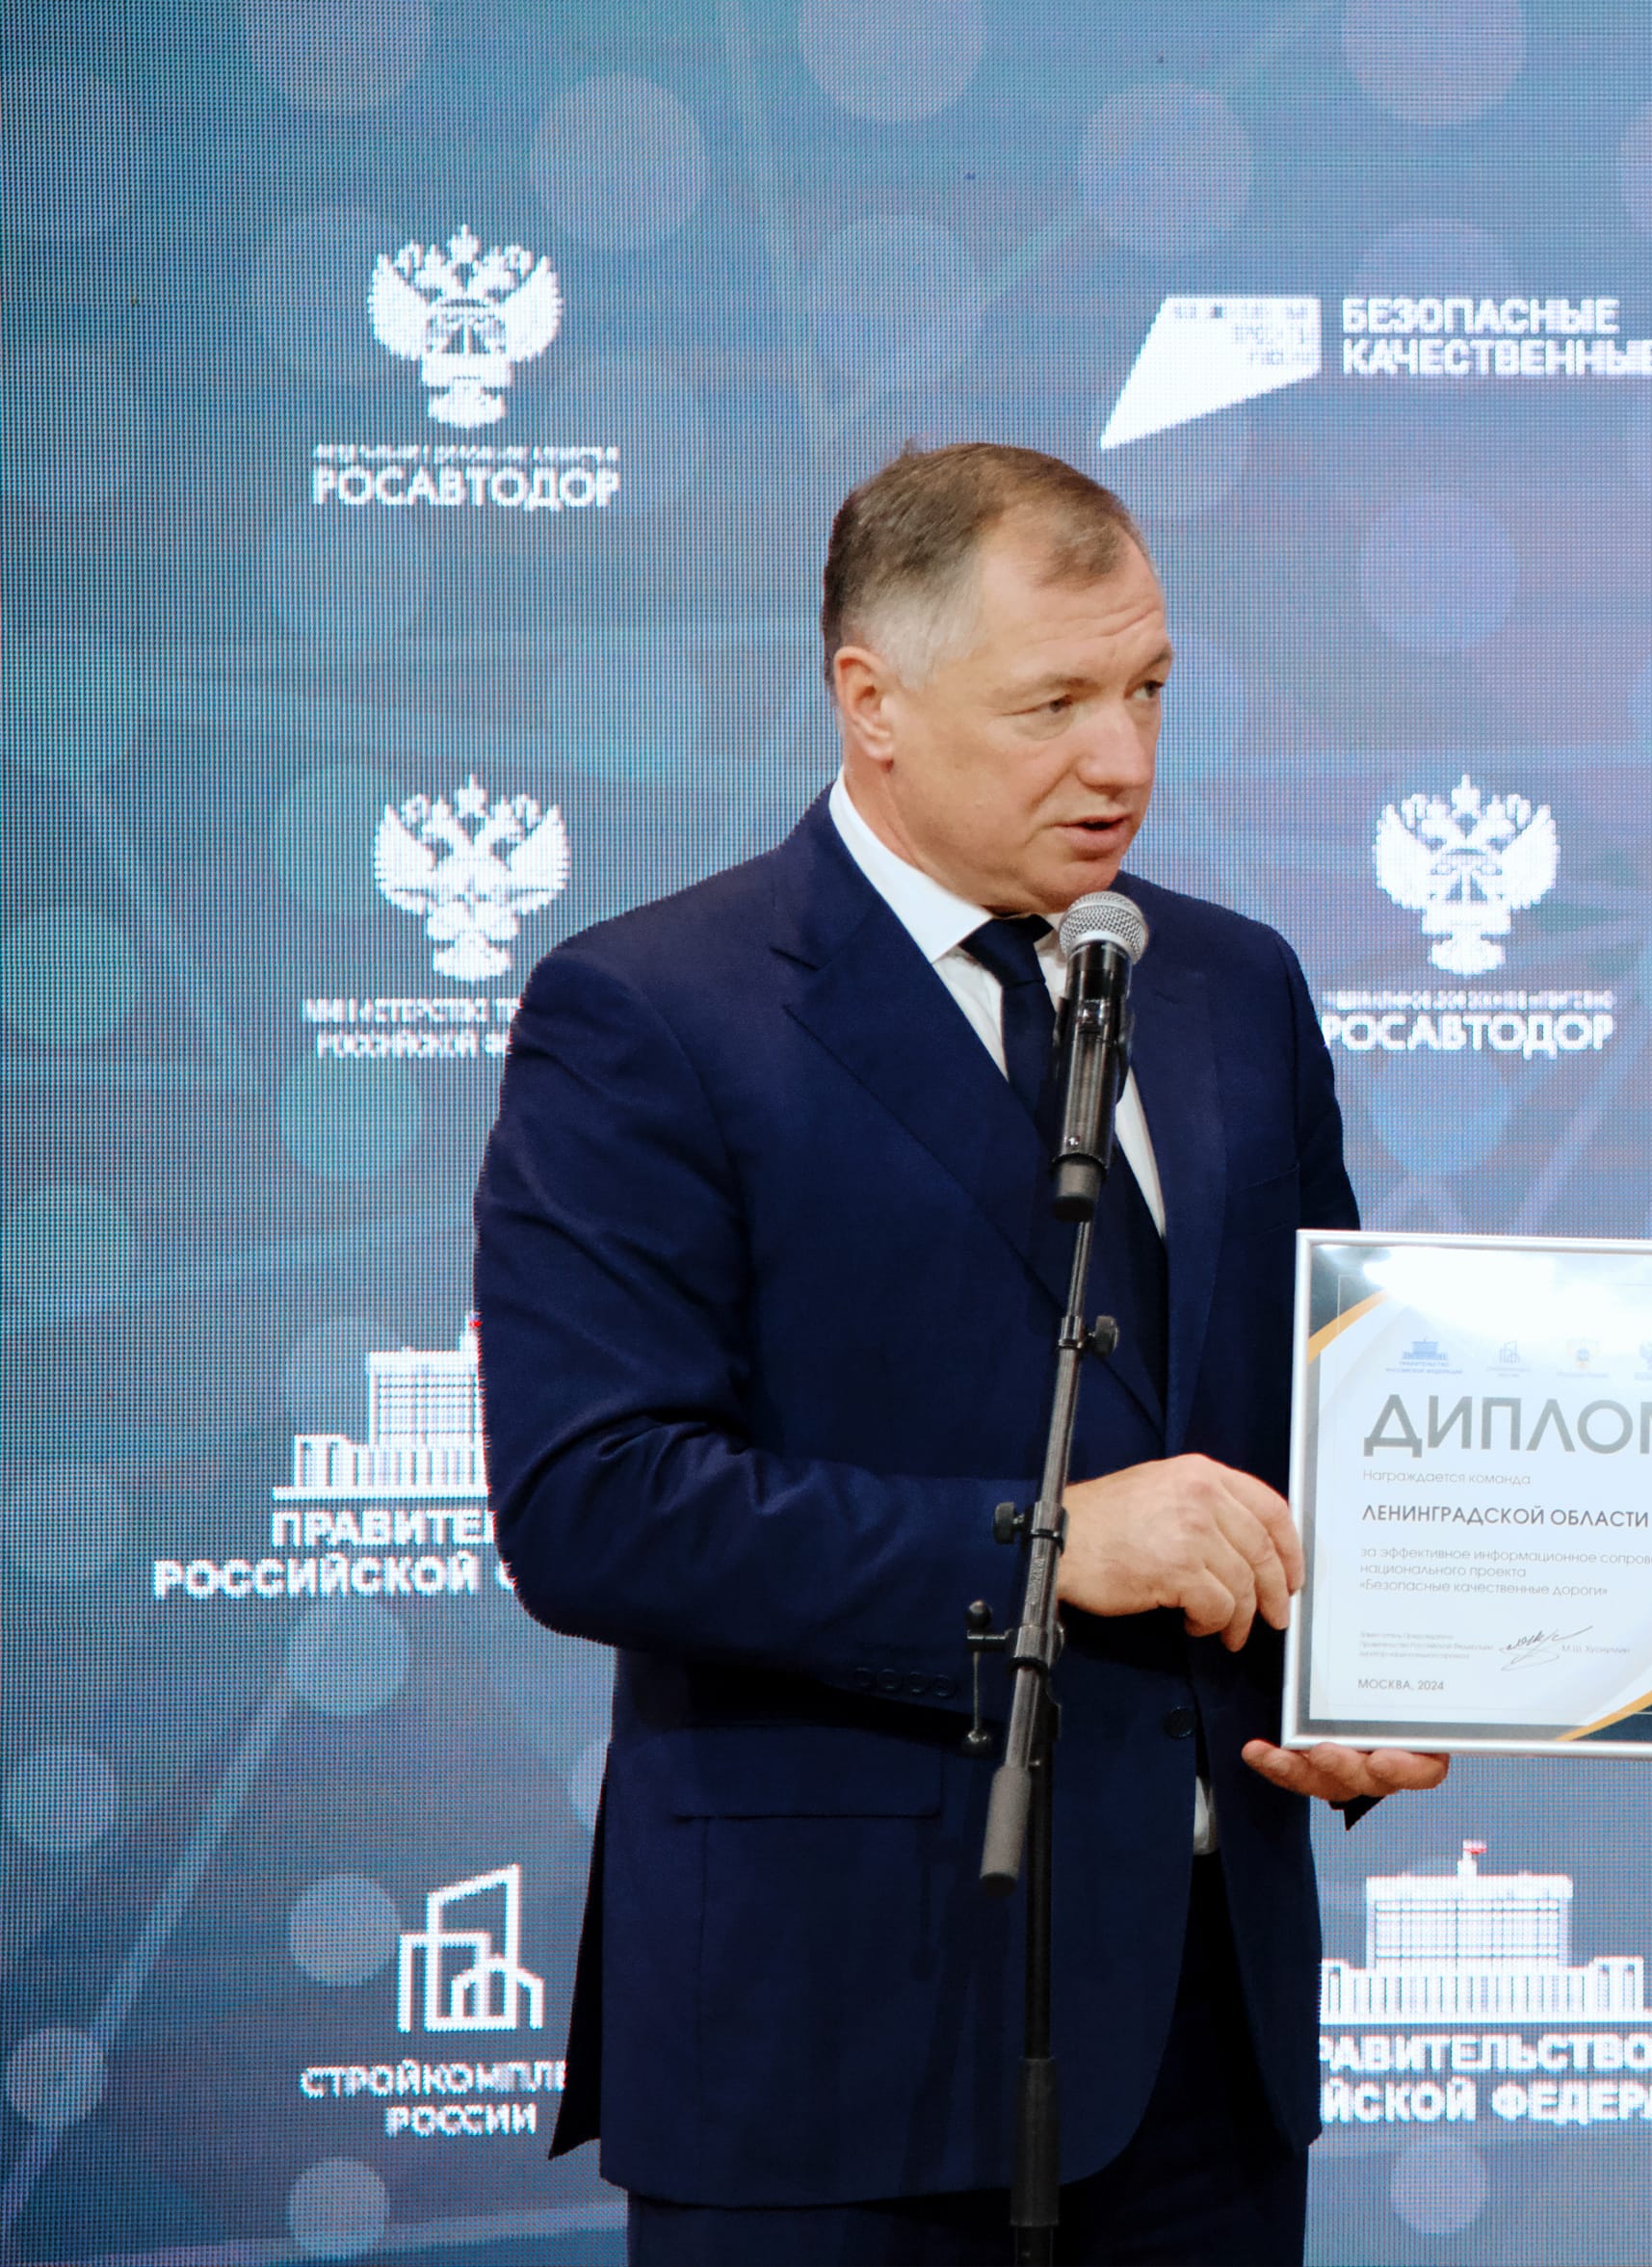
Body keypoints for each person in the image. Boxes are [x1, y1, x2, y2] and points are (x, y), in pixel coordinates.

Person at [475, 441, 1443, 2265]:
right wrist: (1053, 1543)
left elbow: (1328, 1419)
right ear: (873, 702)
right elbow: (595, 1504)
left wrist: (1363, 1661)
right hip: (828, 2038)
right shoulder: (654, 1012)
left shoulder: (1232, 986)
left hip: (1202, 2049)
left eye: (1148, 689)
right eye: (1053, 703)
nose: (1122, 759)